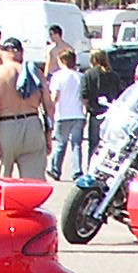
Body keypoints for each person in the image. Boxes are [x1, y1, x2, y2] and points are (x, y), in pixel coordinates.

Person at [0, 37, 51, 179]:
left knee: (1, 179)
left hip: (6, 127)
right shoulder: (35, 73)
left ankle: (6, 201)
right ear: (21, 53)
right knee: (34, 182)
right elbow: (48, 107)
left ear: (2, 53)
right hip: (33, 125)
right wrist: (48, 136)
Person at [47, 46, 87, 181]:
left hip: (63, 114)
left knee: (60, 144)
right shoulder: (81, 77)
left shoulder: (57, 77)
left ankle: (56, 170)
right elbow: (83, 97)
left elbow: (55, 96)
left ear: (62, 61)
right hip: (78, 114)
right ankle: (77, 171)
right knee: (77, 145)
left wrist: (50, 110)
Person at [81, 47, 115, 162]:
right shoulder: (113, 75)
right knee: (109, 144)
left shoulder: (89, 74)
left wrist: (85, 112)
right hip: (110, 114)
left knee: (94, 144)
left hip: (95, 113)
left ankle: (91, 168)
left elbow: (84, 95)